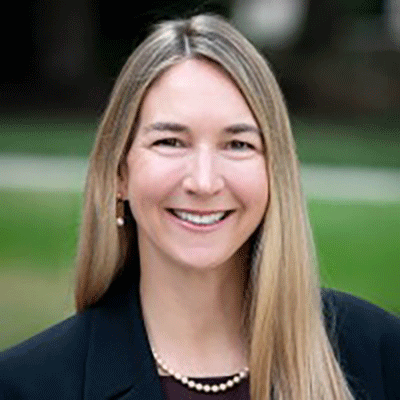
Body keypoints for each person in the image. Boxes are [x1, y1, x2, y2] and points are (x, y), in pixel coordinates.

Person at [1, 14, 399, 400]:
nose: (204, 182)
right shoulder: (25, 384)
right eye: (170, 142)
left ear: (274, 171)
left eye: (238, 144)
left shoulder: (382, 356)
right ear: (119, 173)